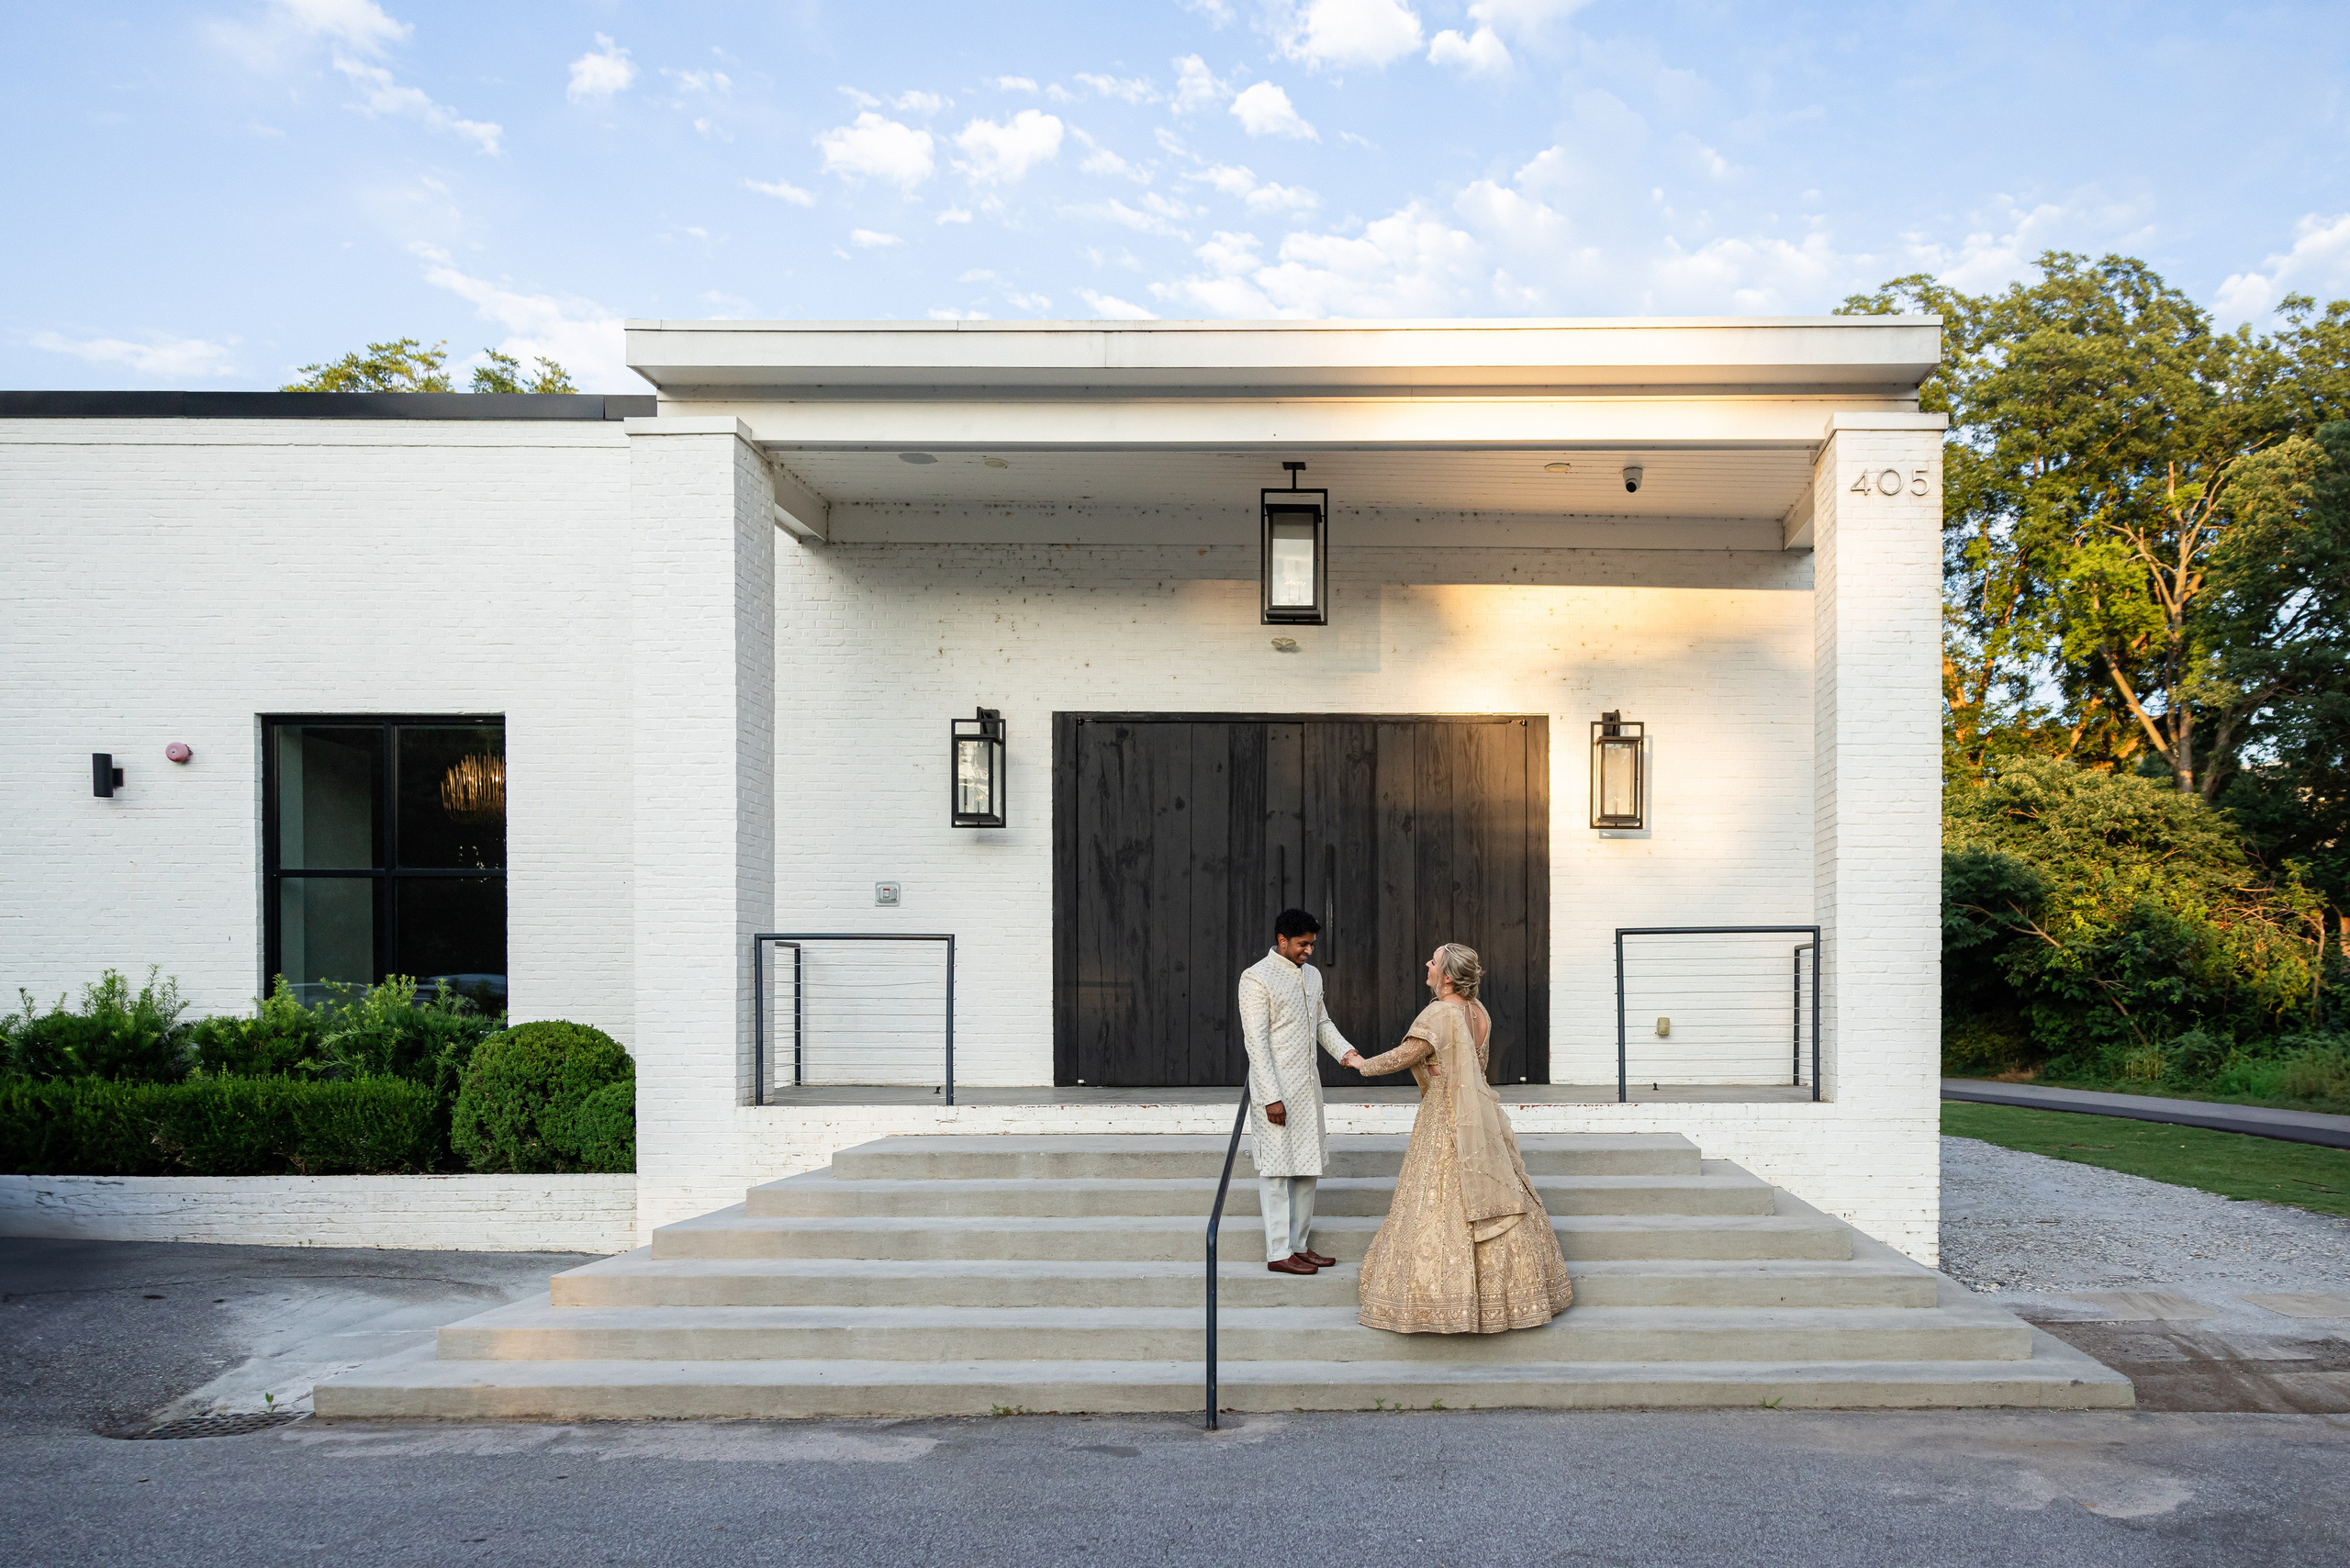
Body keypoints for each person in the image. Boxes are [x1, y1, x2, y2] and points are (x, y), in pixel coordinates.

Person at [1348, 942, 1573, 1332]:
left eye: (1433, 962)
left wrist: (1360, 1064)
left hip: (1444, 1117)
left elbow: (1402, 1057)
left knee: (1436, 1201)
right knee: (1492, 1190)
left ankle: (1438, 1302)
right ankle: (1510, 1297)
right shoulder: (1478, 1012)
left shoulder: (1440, 1013)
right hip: (1479, 1117)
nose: (1428, 964)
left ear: (1447, 977)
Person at [1237, 907, 1369, 1275]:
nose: (1308, 950)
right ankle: (1278, 1252)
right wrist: (1269, 1097)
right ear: (1282, 941)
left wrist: (1346, 1053)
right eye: (1302, 944)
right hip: (1275, 1092)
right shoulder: (1256, 979)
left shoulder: (1311, 976)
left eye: (1311, 944)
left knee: (1308, 1168)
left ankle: (1298, 1245)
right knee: (1277, 1171)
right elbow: (1256, 1042)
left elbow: (1322, 1022)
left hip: (1308, 1089)